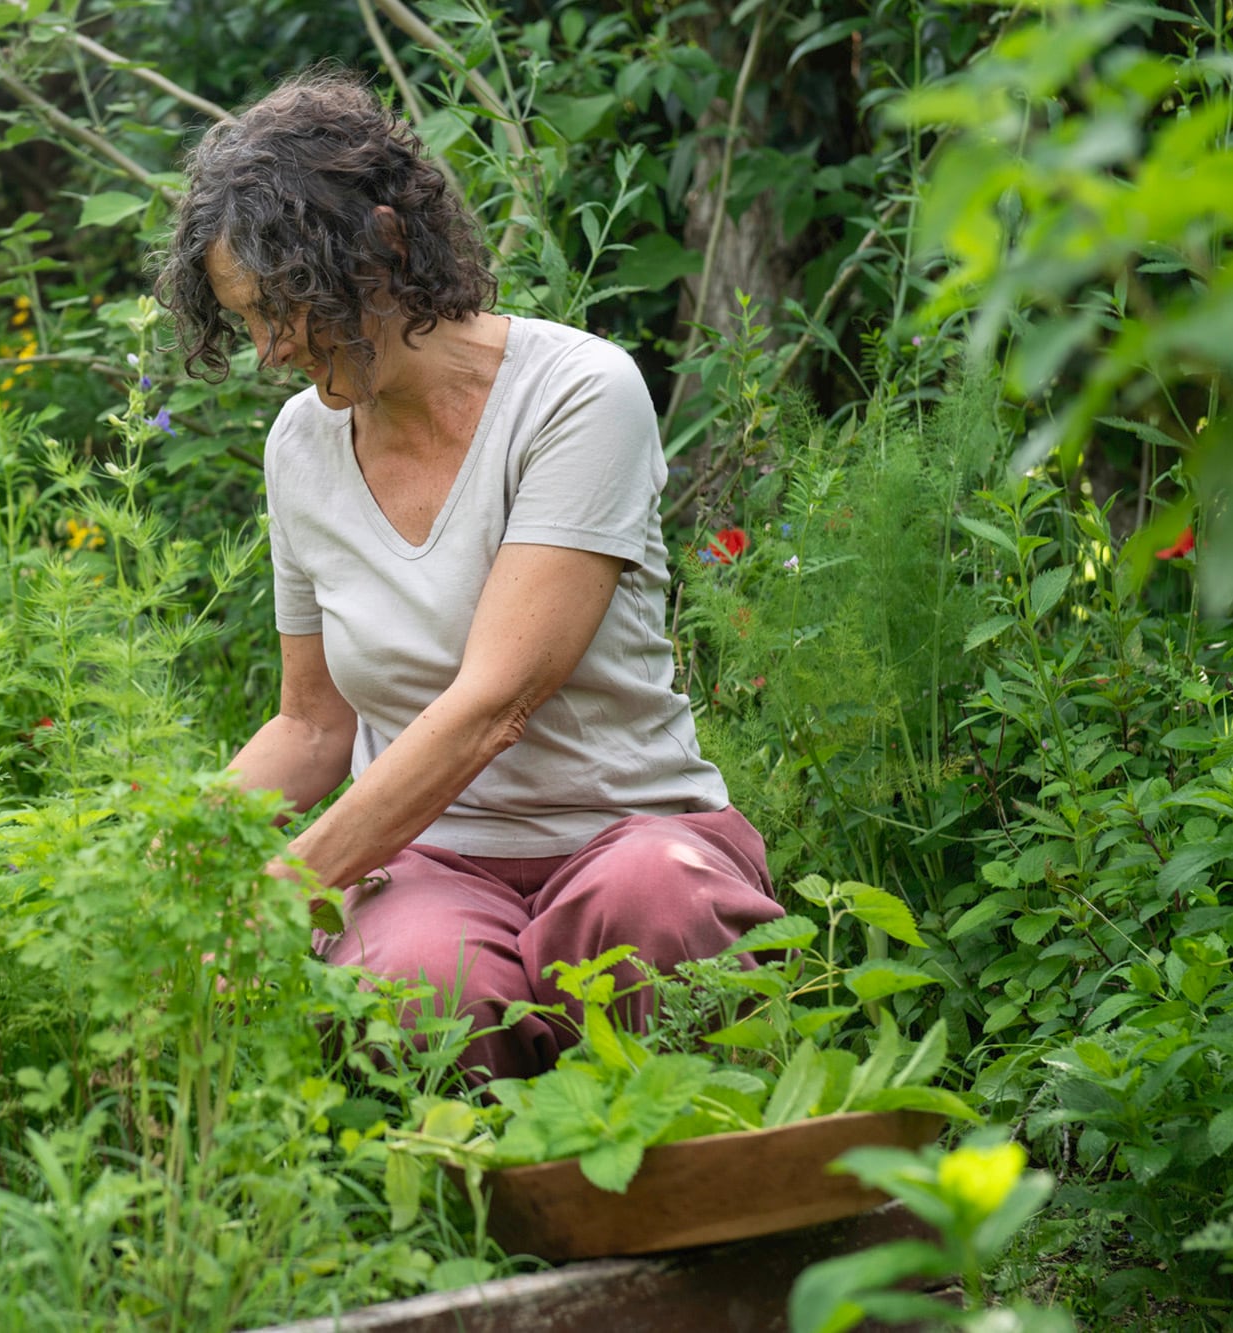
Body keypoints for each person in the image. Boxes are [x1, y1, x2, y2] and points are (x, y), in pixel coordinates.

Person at [154, 69, 782, 1082]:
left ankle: (705, 1185)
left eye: (286, 307)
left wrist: (284, 884)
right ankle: (498, 1215)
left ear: (386, 244)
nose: (269, 349)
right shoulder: (299, 444)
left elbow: (495, 701)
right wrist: (161, 859)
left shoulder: (576, 393)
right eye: (247, 320)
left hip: (624, 834)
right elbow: (312, 727)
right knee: (418, 985)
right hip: (432, 863)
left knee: (653, 907)